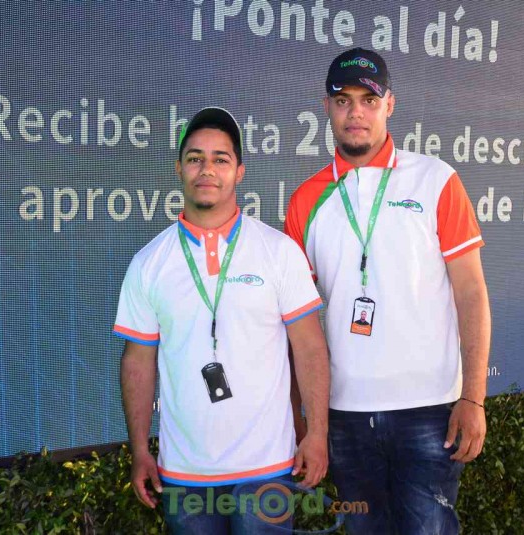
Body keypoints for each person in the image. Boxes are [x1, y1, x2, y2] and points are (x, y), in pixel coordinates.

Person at [285, 48, 491, 534]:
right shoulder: (305, 200)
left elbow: (471, 293)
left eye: (369, 100)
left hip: (429, 410)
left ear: (390, 105)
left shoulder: (436, 180)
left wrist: (474, 398)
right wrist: (304, 420)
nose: (355, 112)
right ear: (326, 107)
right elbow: (297, 325)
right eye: (343, 100)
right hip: (345, 416)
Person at [114, 107, 330, 534]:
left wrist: (317, 434)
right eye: (195, 158)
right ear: (179, 169)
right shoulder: (149, 263)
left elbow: (309, 347)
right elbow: (137, 361)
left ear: (239, 172)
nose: (207, 169)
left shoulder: (278, 251)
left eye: (220, 159)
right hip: (184, 473)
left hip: (267, 466)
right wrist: (139, 450)